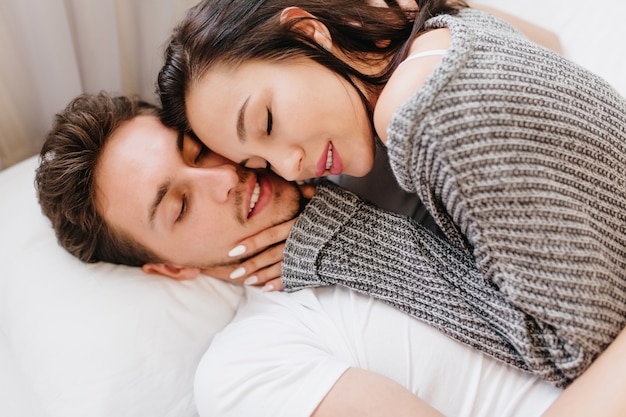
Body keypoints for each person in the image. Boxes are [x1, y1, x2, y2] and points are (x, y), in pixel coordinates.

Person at [36, 92, 626, 417]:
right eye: (181, 205)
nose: (222, 181)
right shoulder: (248, 367)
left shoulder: (357, 153)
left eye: (198, 150)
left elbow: (535, 53)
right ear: (171, 267)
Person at [156, 0, 626, 386]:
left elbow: (574, 351)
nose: (289, 166)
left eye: (267, 122)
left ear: (307, 33)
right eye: (259, 163)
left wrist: (354, 243)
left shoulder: (416, 116)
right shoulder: (446, 28)